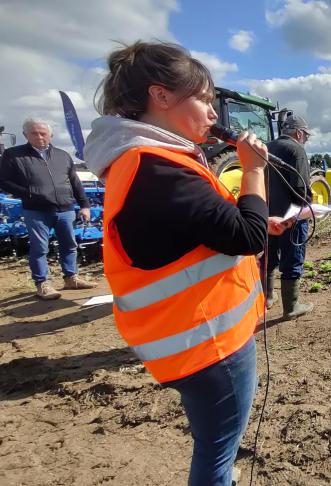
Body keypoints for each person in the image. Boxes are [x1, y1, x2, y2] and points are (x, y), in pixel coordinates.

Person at [83, 41, 267, 485]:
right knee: (216, 457)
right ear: (161, 96)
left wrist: (248, 220)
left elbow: (196, 229)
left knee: (215, 446)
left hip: (194, 338)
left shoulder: (147, 161)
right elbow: (248, 237)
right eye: (203, 98)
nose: (212, 113)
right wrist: (254, 170)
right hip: (208, 342)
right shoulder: (157, 167)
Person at [0, 118, 96, 299]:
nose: (39, 137)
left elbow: (75, 182)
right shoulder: (14, 155)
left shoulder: (62, 155)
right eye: (34, 133)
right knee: (40, 248)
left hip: (65, 208)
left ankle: (71, 278)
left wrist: (84, 205)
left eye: (43, 133)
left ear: (50, 135)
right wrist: (29, 193)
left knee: (69, 244)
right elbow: (4, 181)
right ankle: (43, 284)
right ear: (25, 135)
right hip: (36, 210)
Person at [262, 114, 314, 319]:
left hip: (268, 214)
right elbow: (301, 186)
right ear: (299, 133)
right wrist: (309, 206)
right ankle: (291, 308)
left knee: (269, 256)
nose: (306, 139)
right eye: (306, 135)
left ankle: (267, 297)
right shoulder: (297, 150)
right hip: (293, 216)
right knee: (293, 259)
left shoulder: (266, 147)